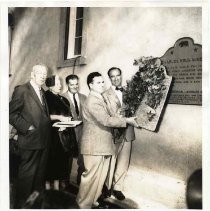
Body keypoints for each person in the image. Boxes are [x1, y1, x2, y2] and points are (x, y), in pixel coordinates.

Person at [76, 72, 139, 209]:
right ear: (90, 85)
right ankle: (82, 205)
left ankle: (92, 202)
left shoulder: (99, 98)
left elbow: (109, 116)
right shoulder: (92, 100)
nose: (102, 84)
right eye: (98, 82)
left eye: (102, 82)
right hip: (94, 145)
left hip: (103, 144)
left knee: (99, 178)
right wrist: (127, 120)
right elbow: (105, 120)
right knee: (90, 178)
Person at [9, 64, 51, 208]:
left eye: (45, 73)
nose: (43, 76)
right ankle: (20, 207)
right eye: (40, 73)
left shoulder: (42, 91)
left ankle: (33, 206)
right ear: (32, 74)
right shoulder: (22, 90)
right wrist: (28, 127)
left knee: (38, 180)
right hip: (29, 141)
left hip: (43, 142)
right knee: (26, 180)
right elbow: (11, 114)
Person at [102, 67, 135, 200]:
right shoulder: (104, 95)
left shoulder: (131, 92)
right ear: (109, 78)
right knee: (110, 161)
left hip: (128, 131)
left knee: (123, 161)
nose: (116, 79)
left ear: (121, 76)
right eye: (113, 76)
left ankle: (117, 188)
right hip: (113, 132)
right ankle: (106, 186)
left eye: (118, 76)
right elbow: (105, 116)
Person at [44, 75, 78, 190]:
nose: (60, 86)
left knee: (59, 166)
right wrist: (60, 118)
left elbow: (66, 114)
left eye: (60, 83)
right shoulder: (45, 97)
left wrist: (68, 120)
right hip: (51, 137)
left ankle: (57, 191)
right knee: (50, 166)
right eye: (57, 83)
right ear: (50, 85)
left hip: (62, 137)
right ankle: (48, 192)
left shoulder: (62, 98)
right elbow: (43, 116)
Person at [62, 74, 87, 185]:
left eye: (76, 84)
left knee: (83, 158)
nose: (75, 86)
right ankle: (65, 181)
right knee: (67, 159)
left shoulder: (84, 97)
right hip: (69, 133)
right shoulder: (62, 98)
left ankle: (80, 180)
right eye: (72, 84)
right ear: (67, 84)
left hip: (83, 132)